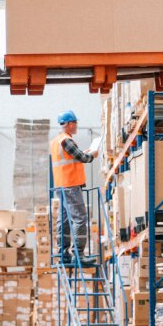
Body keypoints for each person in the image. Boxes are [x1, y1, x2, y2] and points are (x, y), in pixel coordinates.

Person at [49, 110, 99, 265]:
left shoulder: (56, 141)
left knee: (63, 220)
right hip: (71, 185)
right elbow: (83, 158)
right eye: (75, 123)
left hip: (61, 185)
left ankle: (63, 253)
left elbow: (72, 157)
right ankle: (79, 254)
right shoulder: (67, 140)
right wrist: (93, 154)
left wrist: (82, 154)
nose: (77, 126)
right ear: (70, 124)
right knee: (80, 218)